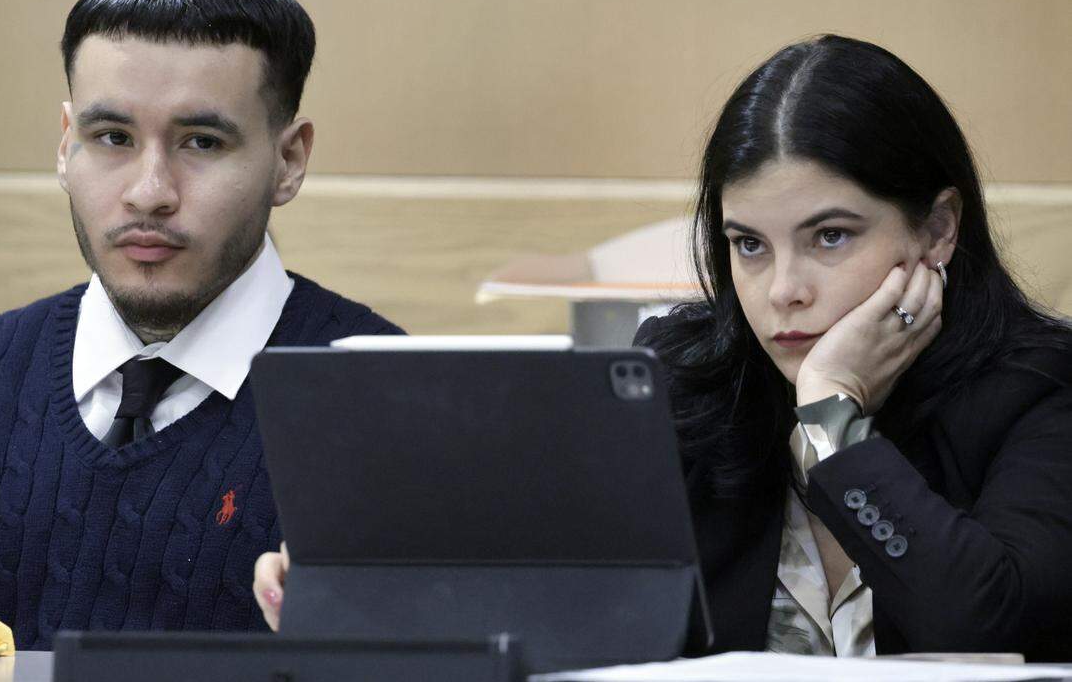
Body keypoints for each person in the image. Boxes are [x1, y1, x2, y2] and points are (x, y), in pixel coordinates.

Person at [252, 35, 1072, 661]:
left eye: (829, 236)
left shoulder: (1042, 389)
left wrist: (831, 416)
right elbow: (556, 585)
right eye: (749, 245)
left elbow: (984, 623)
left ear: (938, 228)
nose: (782, 288)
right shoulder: (685, 378)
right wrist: (367, 580)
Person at [0, 0, 401, 649]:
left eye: (201, 141)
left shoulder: (398, 407)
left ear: (290, 160)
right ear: (66, 145)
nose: (149, 190)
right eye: (113, 137)